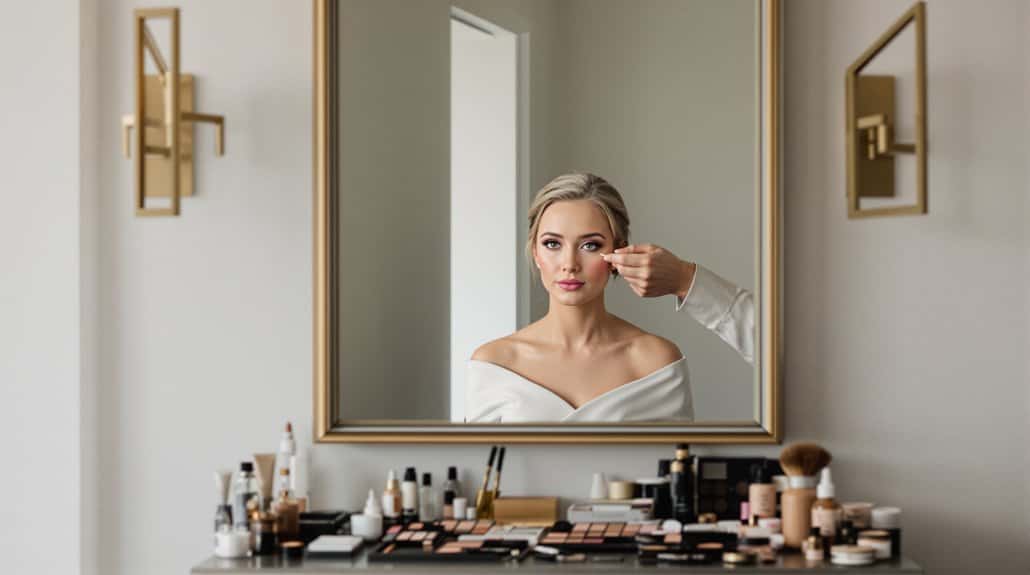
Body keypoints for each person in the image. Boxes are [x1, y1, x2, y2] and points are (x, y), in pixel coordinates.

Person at [464, 173, 753, 423]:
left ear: (619, 253)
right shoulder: (495, 363)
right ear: (536, 253)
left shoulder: (655, 361)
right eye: (552, 243)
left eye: (590, 245)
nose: (569, 263)